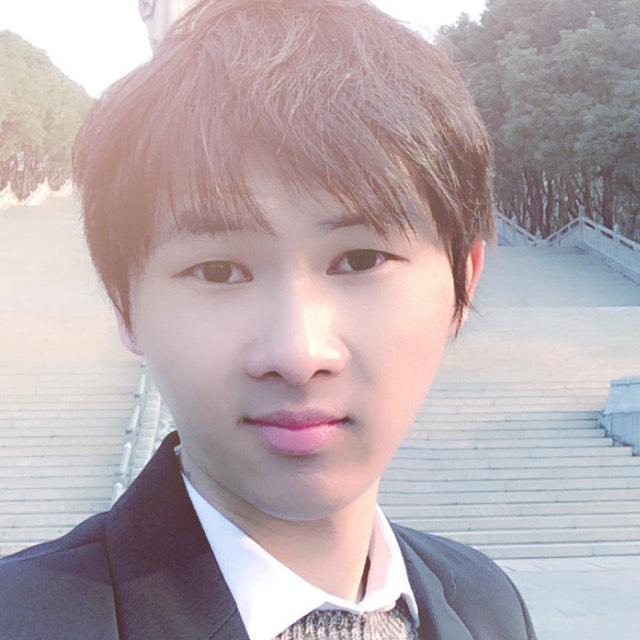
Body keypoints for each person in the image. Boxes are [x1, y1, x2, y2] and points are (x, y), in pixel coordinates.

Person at [0, 1, 538, 638]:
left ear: (463, 283)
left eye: (360, 259)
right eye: (219, 270)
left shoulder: (484, 603)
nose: (297, 353)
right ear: (125, 304)